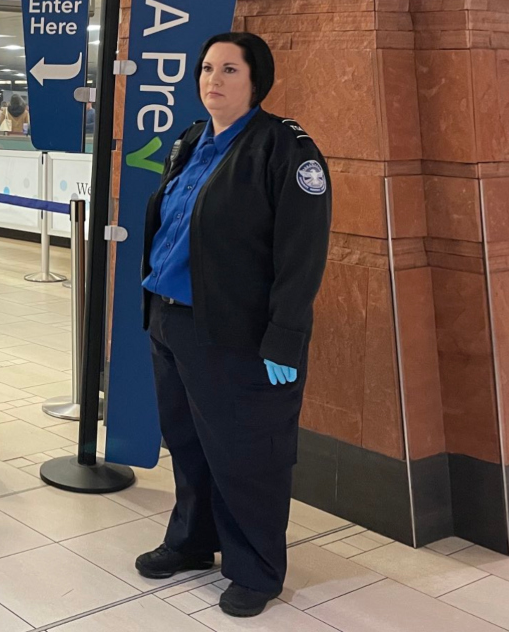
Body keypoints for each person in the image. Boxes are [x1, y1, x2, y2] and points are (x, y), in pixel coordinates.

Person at [135, 32, 332, 618]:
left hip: (237, 334)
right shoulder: (193, 141)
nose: (212, 79)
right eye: (205, 69)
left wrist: (286, 335)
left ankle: (256, 568)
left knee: (248, 454)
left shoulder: (285, 150)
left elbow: (303, 253)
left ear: (256, 81)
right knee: (189, 444)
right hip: (172, 324)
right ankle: (194, 541)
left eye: (228, 70)